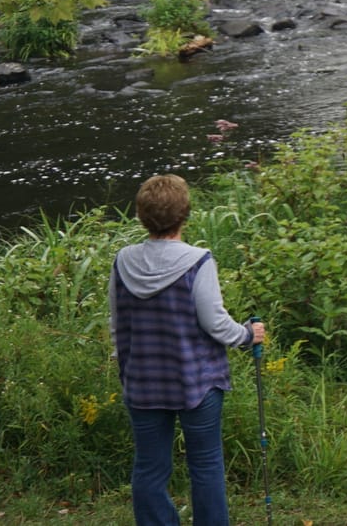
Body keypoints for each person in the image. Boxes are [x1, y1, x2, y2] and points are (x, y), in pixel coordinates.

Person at [111, 174, 267, 526]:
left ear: (141, 216)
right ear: (185, 214)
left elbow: (117, 324)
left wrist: (126, 371)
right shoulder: (198, 261)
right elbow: (215, 323)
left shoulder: (122, 261)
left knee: (149, 468)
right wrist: (247, 336)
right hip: (198, 382)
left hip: (142, 382)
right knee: (206, 464)